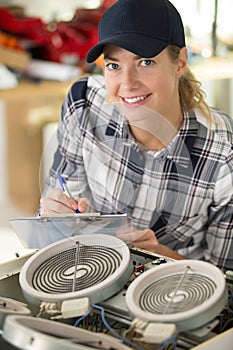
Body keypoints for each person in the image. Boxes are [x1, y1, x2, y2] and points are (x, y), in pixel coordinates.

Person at [40, 0, 233, 272]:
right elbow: (62, 220)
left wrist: (160, 257)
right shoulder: (83, 102)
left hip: (178, 294)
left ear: (180, 63)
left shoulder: (224, 152)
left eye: (145, 62)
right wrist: (53, 219)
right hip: (92, 274)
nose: (127, 84)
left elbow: (227, 284)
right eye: (114, 66)